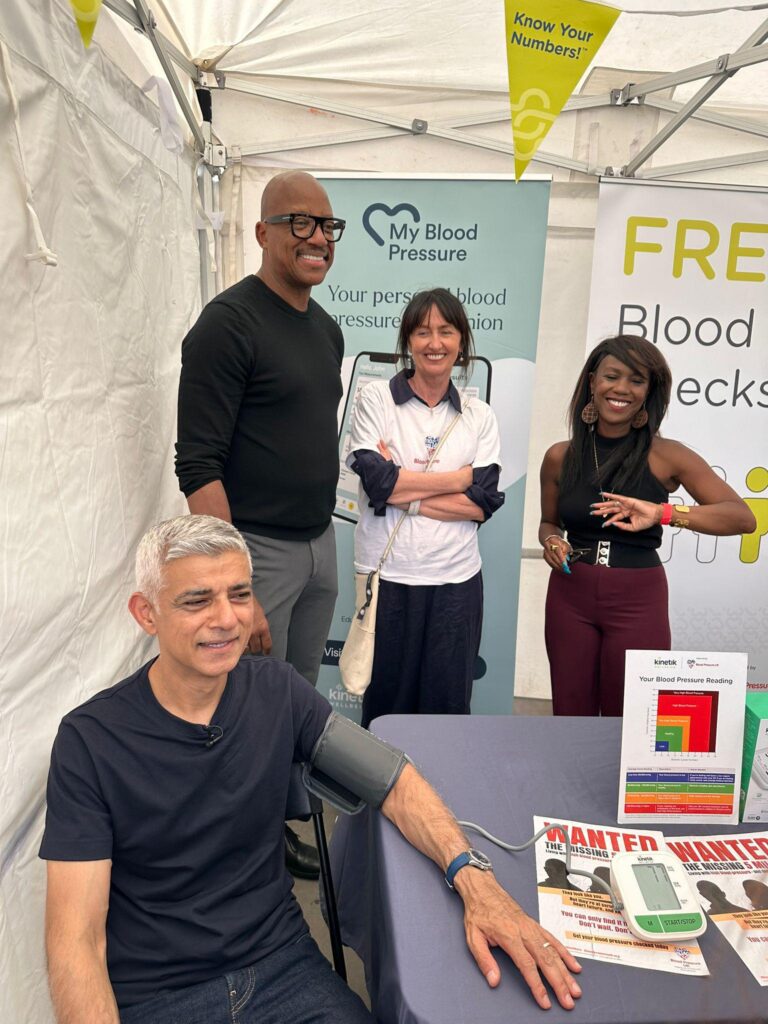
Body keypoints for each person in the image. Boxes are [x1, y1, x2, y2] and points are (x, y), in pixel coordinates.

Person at [40, 515, 583, 1023]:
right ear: (146, 613)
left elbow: (392, 782)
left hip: (283, 970)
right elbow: (76, 940)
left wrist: (474, 879)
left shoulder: (277, 690)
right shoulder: (91, 741)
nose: (227, 619)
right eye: (196, 600)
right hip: (161, 997)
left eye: (240, 594)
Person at [175, 170, 345, 877]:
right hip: (259, 554)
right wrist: (232, 589)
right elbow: (198, 465)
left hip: (319, 546)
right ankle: (235, 854)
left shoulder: (327, 330)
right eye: (299, 223)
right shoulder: (228, 324)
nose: (317, 238)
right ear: (263, 233)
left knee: (295, 701)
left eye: (327, 227)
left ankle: (275, 830)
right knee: (241, 707)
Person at [539, 335, 755, 717]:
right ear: (592, 382)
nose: (621, 388)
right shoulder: (560, 456)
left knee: (635, 716)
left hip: (638, 599)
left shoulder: (666, 455)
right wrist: (553, 540)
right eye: (612, 376)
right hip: (570, 594)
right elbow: (548, 522)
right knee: (570, 712)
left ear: (648, 392)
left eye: (636, 380)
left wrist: (662, 514)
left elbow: (741, 517)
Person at [347, 289, 504, 729]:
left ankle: (439, 797)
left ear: (462, 342)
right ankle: (382, 801)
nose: (434, 343)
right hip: (388, 576)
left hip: (455, 581)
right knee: (386, 706)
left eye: (446, 331)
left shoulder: (480, 415)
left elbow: (483, 503)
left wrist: (403, 489)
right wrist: (457, 480)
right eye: (422, 332)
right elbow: (376, 482)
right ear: (407, 342)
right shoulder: (376, 399)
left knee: (447, 707)